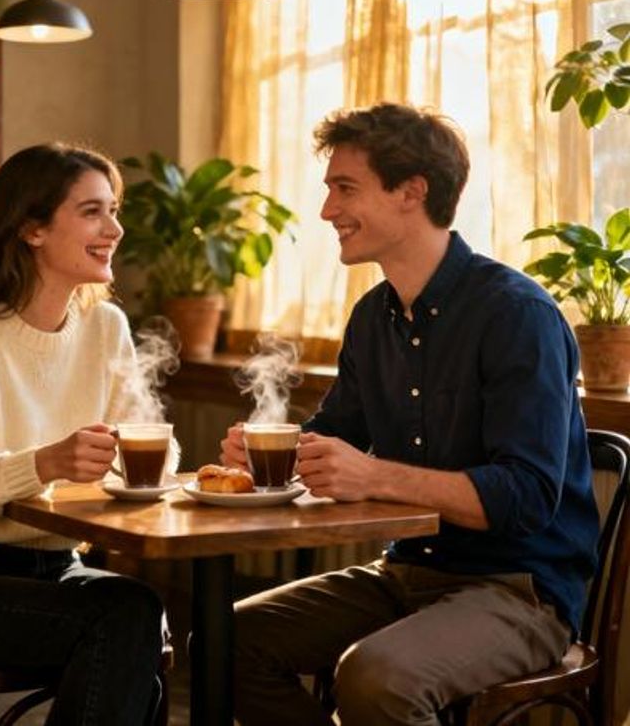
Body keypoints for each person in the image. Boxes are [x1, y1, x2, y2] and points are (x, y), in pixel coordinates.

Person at [220, 103, 600, 725]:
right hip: (407, 572)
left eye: (345, 189)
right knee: (224, 640)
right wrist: (273, 455)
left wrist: (372, 477)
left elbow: (526, 498)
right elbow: (335, 435)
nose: (327, 211)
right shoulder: (374, 318)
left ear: (412, 192)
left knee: (376, 678)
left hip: (519, 591)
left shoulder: (516, 315)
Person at [0, 143, 165, 725]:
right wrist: (44, 463)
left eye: (113, 209)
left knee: (139, 613)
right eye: (93, 211)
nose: (115, 228)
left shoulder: (106, 326)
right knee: (125, 620)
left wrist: (150, 462)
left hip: (58, 566)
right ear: (31, 229)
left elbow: (146, 459)